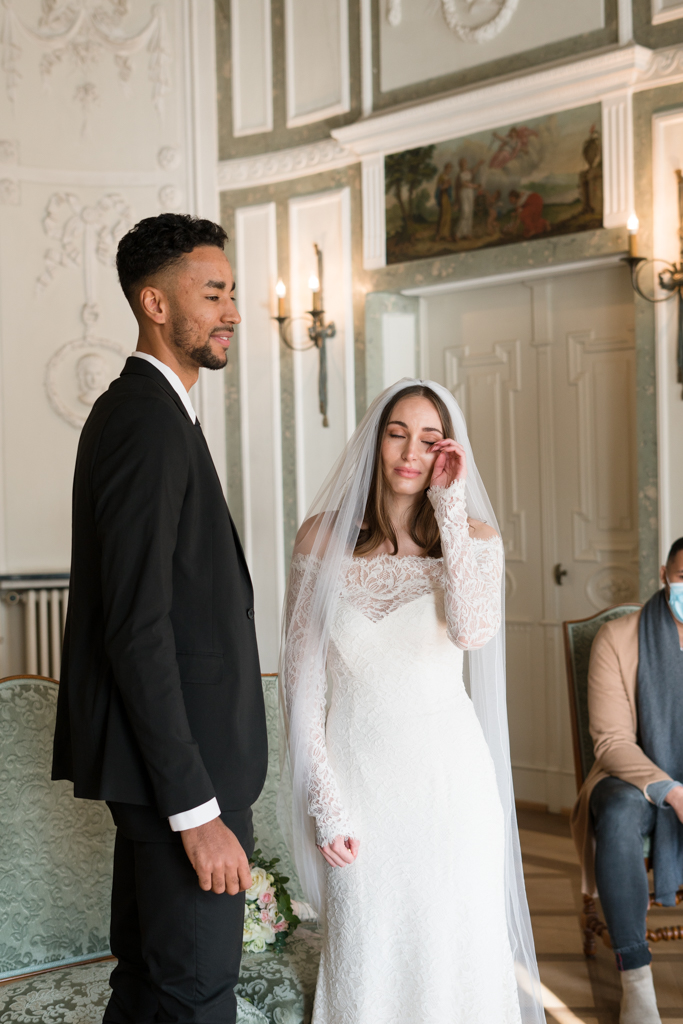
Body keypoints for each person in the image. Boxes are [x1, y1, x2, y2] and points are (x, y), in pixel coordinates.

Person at [52, 213, 268, 1024]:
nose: (232, 312)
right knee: (194, 998)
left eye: (233, 293)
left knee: (150, 990)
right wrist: (196, 812)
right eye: (213, 293)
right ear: (155, 303)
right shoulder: (145, 420)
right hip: (186, 782)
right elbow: (137, 628)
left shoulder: (155, 413)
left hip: (176, 776)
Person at [278, 380, 545, 1024]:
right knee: (366, 952)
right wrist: (324, 798)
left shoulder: (474, 537)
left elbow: (473, 631)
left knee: (458, 955)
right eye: (398, 432)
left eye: (430, 440)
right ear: (376, 439)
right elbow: (300, 680)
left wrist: (448, 509)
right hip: (358, 783)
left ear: (446, 452)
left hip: (449, 787)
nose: (410, 452)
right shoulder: (320, 539)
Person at [571, 539, 683, 1024]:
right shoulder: (617, 637)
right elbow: (612, 742)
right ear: (664, 573)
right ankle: (636, 979)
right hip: (629, 775)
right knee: (616, 813)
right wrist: (673, 791)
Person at [434, 161, 454, 241]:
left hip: (447, 197)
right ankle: (439, 234)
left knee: (448, 215)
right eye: (448, 169)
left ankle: (446, 235)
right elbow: (440, 188)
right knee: (443, 215)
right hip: (443, 197)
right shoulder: (441, 177)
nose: (449, 171)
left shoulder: (448, 178)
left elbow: (450, 188)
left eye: (450, 169)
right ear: (446, 169)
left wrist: (449, 185)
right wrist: (446, 185)